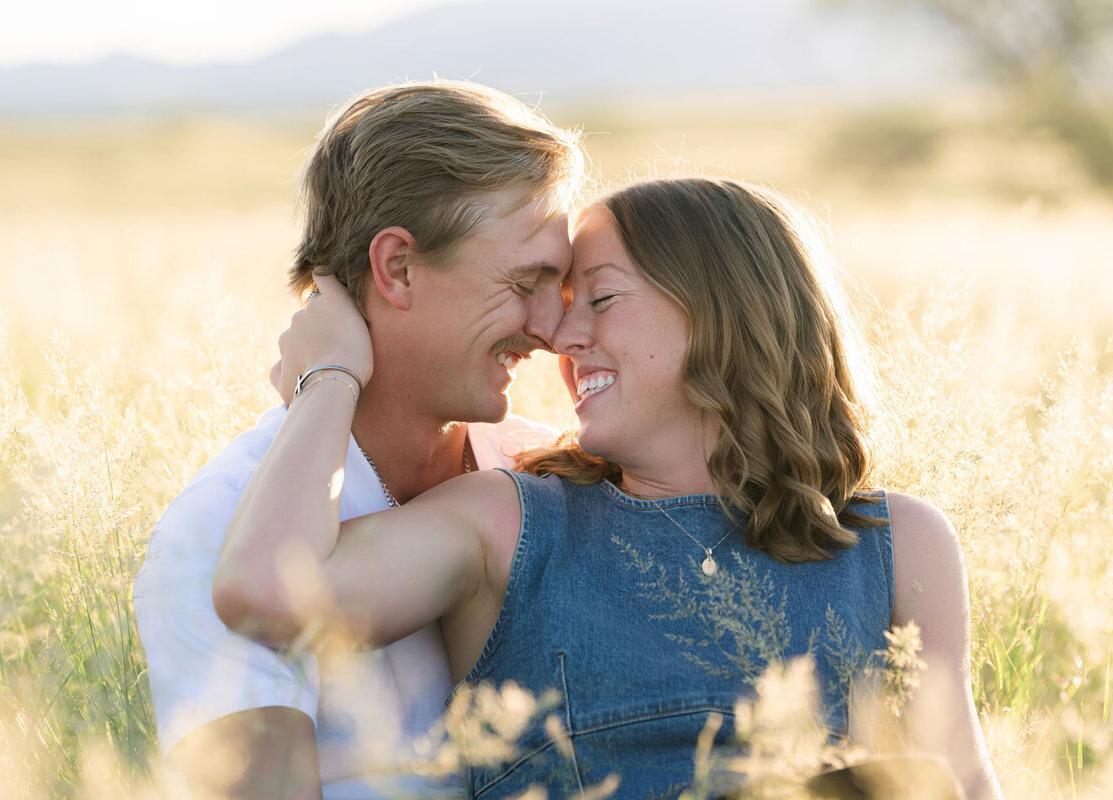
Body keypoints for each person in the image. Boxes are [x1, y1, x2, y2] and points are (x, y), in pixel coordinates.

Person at [213, 177, 1005, 799]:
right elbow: (267, 594)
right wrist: (330, 378)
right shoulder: (508, 522)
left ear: (724, 310)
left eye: (601, 298)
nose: (561, 337)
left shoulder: (895, 543)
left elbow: (963, 785)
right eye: (563, 309)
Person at [132, 79, 585, 799]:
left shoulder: (548, 474)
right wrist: (332, 379)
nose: (550, 328)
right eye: (526, 282)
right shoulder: (219, 529)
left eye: (560, 290)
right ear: (397, 268)